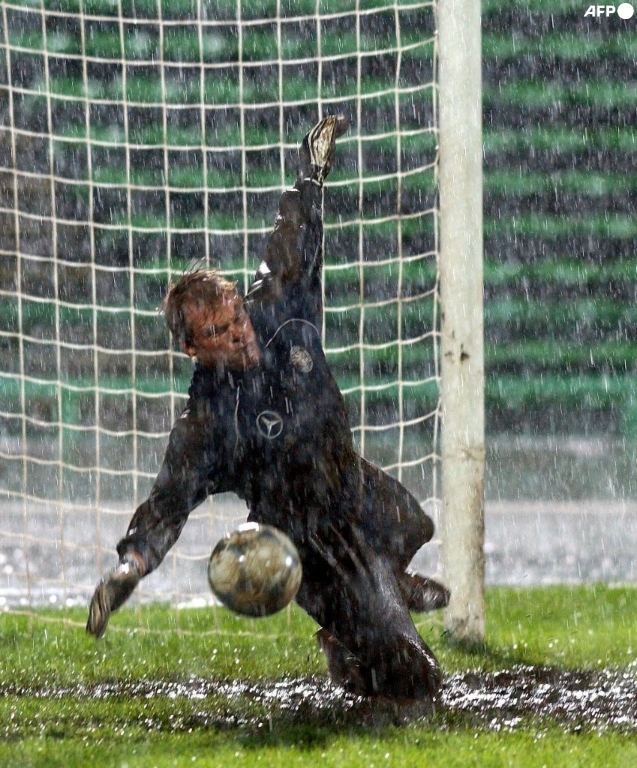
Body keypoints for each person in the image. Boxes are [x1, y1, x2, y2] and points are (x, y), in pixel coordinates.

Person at [87, 116, 448, 700]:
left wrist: (310, 174)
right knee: (416, 682)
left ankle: (360, 619)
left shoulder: (282, 302)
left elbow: (294, 234)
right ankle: (356, 625)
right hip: (308, 539)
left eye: (236, 318)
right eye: (218, 333)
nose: (239, 335)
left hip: (352, 486)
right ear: (193, 349)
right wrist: (131, 566)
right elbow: (167, 503)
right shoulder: (207, 423)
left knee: (414, 527)